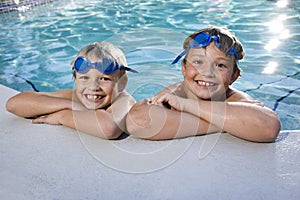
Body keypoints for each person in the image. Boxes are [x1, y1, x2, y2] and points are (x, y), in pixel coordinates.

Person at [126, 26, 281, 142]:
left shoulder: (234, 99)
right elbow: (139, 121)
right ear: (184, 68)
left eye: (220, 65)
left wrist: (186, 106)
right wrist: (224, 124)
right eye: (198, 62)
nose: (207, 72)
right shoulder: (177, 92)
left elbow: (269, 127)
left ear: (234, 76)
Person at [6, 42, 138, 139]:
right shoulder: (75, 96)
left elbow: (108, 128)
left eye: (104, 79)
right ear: (75, 79)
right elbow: (13, 104)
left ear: (122, 84)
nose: (93, 87)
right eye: (85, 78)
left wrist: (61, 116)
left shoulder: (124, 101)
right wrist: (71, 105)